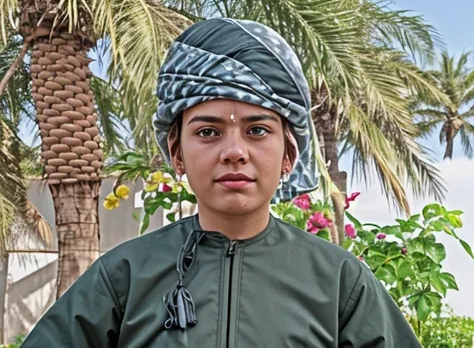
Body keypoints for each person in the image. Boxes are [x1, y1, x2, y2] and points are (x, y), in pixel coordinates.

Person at [22, 18, 421, 347]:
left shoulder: (341, 283)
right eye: (208, 132)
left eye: (257, 130)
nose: (234, 152)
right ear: (177, 153)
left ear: (289, 155)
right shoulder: (123, 276)